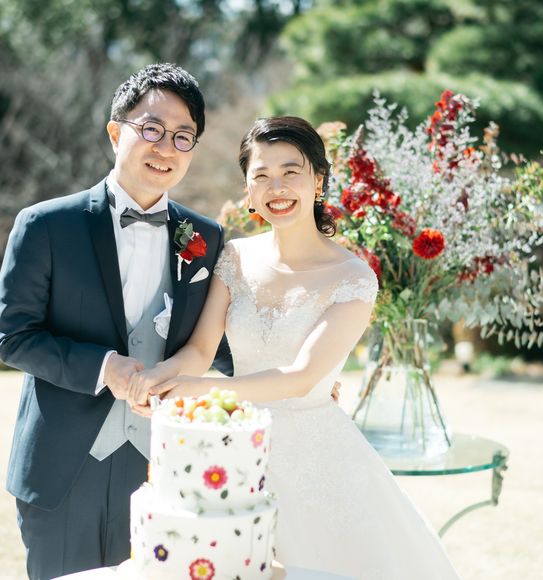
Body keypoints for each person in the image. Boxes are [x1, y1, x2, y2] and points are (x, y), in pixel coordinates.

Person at [129, 116, 462, 579]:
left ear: (318, 181)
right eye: (262, 175)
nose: (277, 187)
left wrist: (199, 391)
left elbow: (302, 378)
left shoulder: (353, 278)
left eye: (291, 171)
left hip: (319, 462)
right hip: (238, 449)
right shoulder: (235, 257)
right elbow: (201, 349)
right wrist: (162, 378)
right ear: (248, 189)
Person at [0, 63, 233, 580]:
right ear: (114, 132)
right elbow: (12, 337)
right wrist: (106, 368)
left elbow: (215, 341)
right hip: (63, 469)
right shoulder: (46, 225)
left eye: (182, 136)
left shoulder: (206, 237)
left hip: (164, 467)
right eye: (151, 129)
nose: (166, 147)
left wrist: (295, 373)